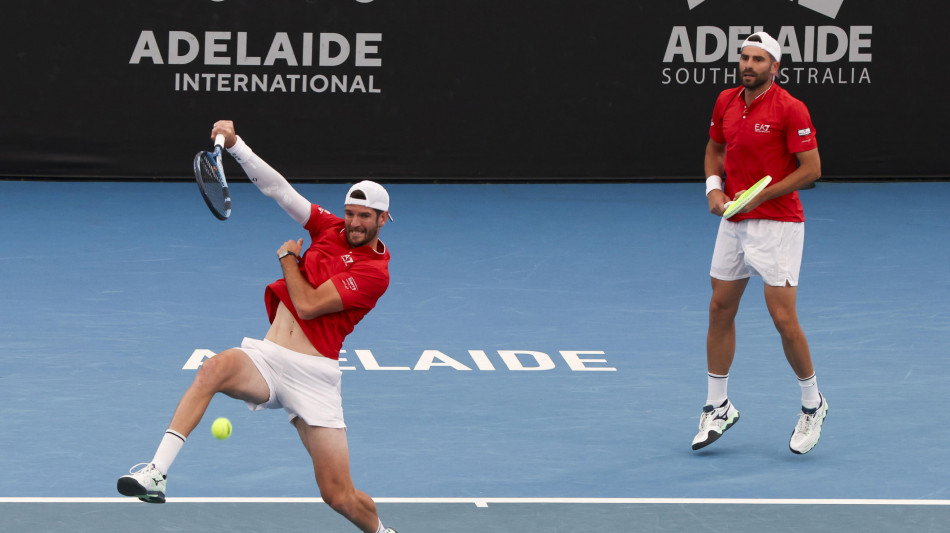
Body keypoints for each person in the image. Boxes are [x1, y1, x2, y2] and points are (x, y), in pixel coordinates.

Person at [117, 120, 398, 533]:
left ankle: (380, 531)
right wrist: (235, 145)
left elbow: (307, 305)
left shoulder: (376, 273)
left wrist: (287, 258)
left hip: (314, 377)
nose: (354, 223)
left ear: (382, 219)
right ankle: (156, 473)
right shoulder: (330, 228)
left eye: (364, 217)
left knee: (338, 495)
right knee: (213, 369)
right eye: (350, 213)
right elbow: (280, 190)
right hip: (268, 358)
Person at [692, 32, 828, 455]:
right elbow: (715, 149)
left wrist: (762, 194)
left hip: (778, 224)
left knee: (783, 319)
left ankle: (813, 404)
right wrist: (715, 189)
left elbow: (812, 170)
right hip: (734, 218)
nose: (748, 65)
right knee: (719, 307)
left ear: (775, 67)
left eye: (758, 59)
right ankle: (718, 405)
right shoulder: (726, 101)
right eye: (744, 58)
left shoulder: (791, 108)